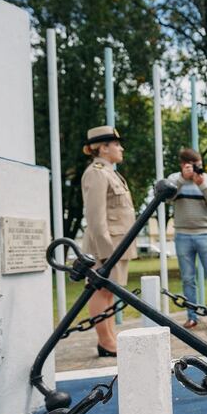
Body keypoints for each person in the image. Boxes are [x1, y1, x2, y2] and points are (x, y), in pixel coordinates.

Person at [80, 126, 137, 357]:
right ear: (103, 148)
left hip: (116, 244)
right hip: (106, 246)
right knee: (100, 291)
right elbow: (96, 217)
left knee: (108, 293)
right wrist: (106, 253)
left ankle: (110, 338)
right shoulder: (96, 173)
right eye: (116, 144)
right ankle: (105, 341)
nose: (121, 148)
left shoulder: (110, 173)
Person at [166, 148, 207, 329]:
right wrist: (182, 179)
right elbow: (167, 198)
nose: (197, 169)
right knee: (188, 279)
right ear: (183, 165)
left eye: (199, 165)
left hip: (206, 235)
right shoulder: (174, 179)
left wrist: (202, 185)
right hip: (182, 236)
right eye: (193, 166)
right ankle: (192, 317)